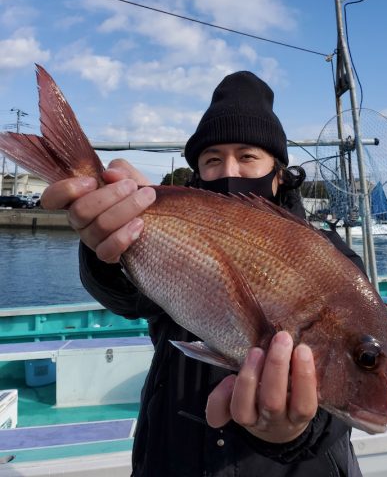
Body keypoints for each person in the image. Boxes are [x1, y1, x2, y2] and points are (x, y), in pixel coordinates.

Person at [42, 71, 364, 476]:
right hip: (173, 455)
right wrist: (107, 250)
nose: (229, 170)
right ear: (197, 172)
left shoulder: (332, 259)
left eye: (248, 157)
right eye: (213, 160)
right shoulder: (171, 230)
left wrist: (294, 431)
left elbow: (342, 406)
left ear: (278, 172)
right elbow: (130, 298)